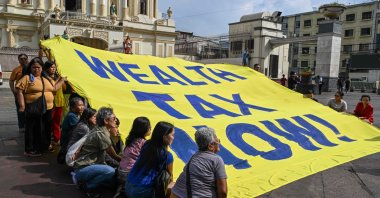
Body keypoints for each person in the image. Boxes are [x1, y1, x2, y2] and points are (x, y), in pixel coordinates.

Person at [16, 57, 66, 156]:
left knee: (46, 127)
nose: (36, 69)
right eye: (34, 67)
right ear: (30, 68)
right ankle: (30, 150)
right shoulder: (27, 78)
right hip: (33, 107)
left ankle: (44, 146)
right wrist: (22, 105)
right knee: (32, 128)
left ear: (42, 68)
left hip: (48, 108)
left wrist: (62, 79)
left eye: (38, 67)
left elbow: (54, 88)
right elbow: (19, 91)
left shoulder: (46, 78)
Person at [73, 107, 121, 198]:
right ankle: (87, 186)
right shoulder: (102, 134)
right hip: (83, 168)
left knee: (112, 180)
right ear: (106, 121)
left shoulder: (101, 129)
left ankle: (87, 183)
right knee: (110, 171)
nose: (116, 120)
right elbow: (114, 156)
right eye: (114, 118)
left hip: (88, 166)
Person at [171, 127, 227, 198]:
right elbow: (223, 192)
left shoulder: (193, 158)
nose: (219, 142)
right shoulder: (216, 160)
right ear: (210, 146)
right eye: (217, 140)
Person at [125, 121, 175, 198]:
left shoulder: (146, 144)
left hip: (128, 186)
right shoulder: (167, 156)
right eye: (172, 135)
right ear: (164, 136)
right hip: (141, 192)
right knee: (175, 187)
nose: (173, 138)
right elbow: (170, 177)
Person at [115, 116, 151, 198]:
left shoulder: (130, 139)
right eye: (149, 127)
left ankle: (122, 188)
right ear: (144, 129)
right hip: (130, 174)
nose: (150, 129)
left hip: (120, 172)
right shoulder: (144, 143)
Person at [43, 61, 66, 148]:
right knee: (48, 122)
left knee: (57, 122)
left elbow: (64, 88)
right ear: (46, 68)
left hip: (59, 102)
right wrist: (60, 79)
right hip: (50, 103)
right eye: (51, 67)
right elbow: (54, 89)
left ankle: (57, 139)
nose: (53, 69)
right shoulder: (45, 78)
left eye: (54, 67)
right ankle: (47, 141)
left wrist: (62, 81)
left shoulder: (57, 77)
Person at [57, 97, 85, 163]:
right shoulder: (71, 116)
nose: (82, 107)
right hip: (67, 141)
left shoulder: (77, 114)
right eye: (79, 105)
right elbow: (80, 127)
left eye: (82, 105)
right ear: (72, 107)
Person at [9, 53, 29, 133]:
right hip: (19, 93)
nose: (23, 60)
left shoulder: (31, 68)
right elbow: (11, 81)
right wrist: (13, 91)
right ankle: (21, 126)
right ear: (18, 60)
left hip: (29, 94)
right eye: (21, 59)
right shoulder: (16, 70)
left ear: (27, 59)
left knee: (30, 110)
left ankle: (29, 126)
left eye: (25, 58)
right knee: (20, 110)